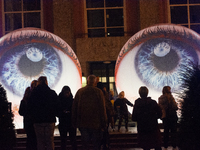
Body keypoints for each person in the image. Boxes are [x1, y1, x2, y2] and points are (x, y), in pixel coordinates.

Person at [72, 75, 107, 150]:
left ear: (88, 81)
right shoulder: (98, 92)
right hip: (96, 123)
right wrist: (104, 122)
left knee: (85, 144)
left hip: (83, 122)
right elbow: (102, 108)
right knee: (96, 144)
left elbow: (74, 107)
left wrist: (74, 121)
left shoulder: (80, 91)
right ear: (95, 82)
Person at [28, 76, 59, 150]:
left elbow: (30, 107)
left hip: (38, 120)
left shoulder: (34, 94)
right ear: (46, 82)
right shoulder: (52, 93)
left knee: (40, 141)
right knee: (50, 140)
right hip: (50, 119)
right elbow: (57, 105)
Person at [19, 80, 38, 150]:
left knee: (29, 139)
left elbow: (20, 112)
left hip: (27, 122)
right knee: (35, 139)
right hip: (34, 121)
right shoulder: (34, 100)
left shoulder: (23, 101)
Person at [158, 86, 178, 150]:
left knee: (166, 132)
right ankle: (174, 146)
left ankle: (165, 146)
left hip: (165, 117)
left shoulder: (160, 98)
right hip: (173, 117)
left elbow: (160, 108)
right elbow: (175, 107)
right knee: (173, 132)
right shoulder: (171, 97)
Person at [58, 86, 77, 150]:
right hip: (70, 121)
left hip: (64, 122)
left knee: (64, 140)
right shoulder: (72, 100)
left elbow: (57, 111)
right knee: (72, 140)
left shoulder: (59, 101)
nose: (66, 94)